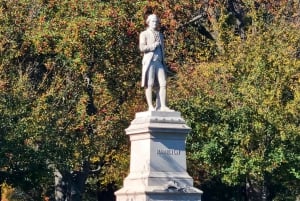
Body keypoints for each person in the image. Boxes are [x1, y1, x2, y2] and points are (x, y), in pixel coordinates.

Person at [139, 14, 173, 111]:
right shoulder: (144, 34)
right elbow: (142, 48)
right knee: (149, 84)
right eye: (153, 21)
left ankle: (162, 106)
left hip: (159, 62)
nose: (155, 23)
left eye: (156, 21)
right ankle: (150, 106)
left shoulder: (160, 35)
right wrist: (153, 45)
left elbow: (162, 51)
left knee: (163, 83)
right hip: (150, 61)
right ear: (148, 22)